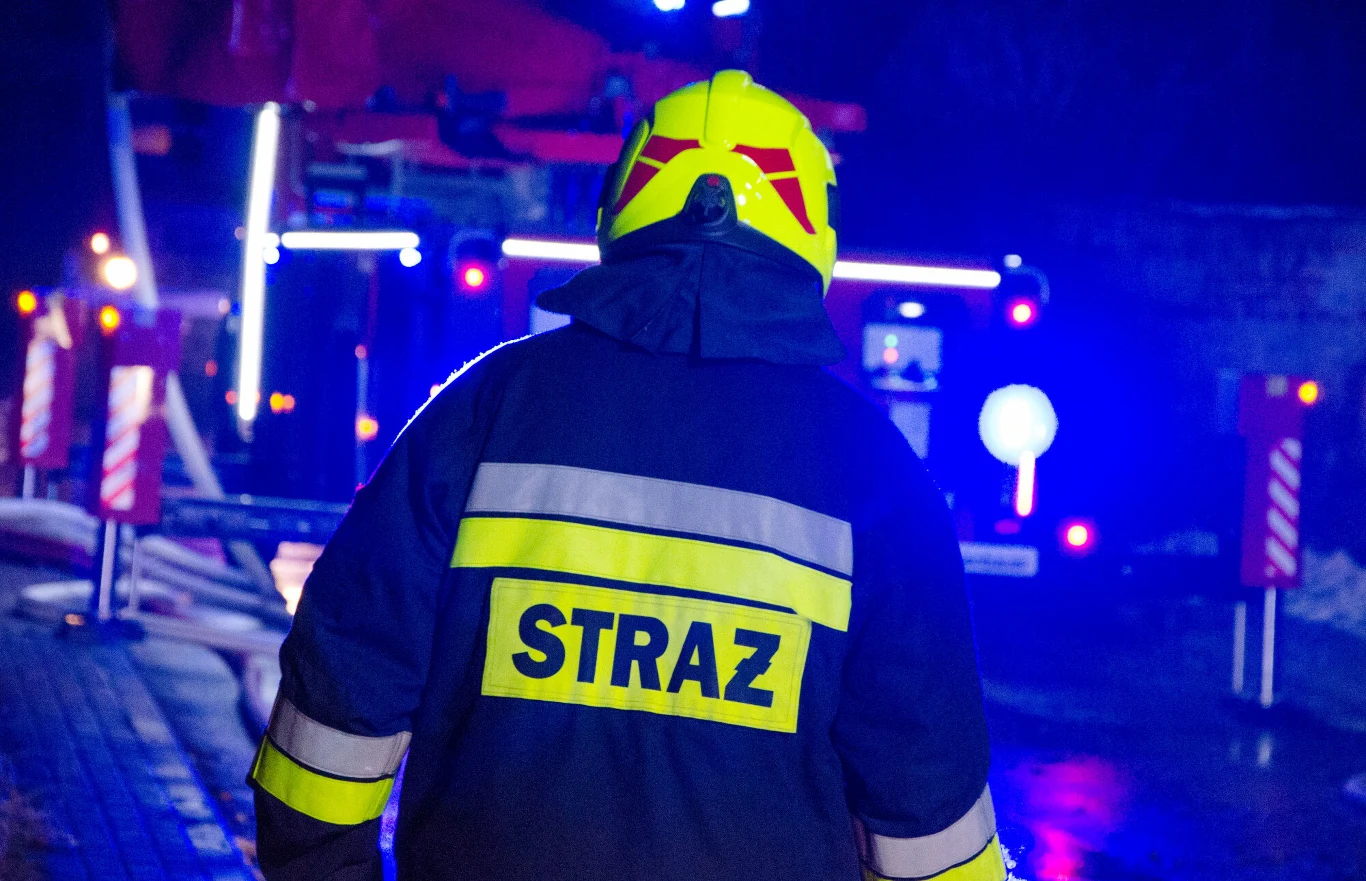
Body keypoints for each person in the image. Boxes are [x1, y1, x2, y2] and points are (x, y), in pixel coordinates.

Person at [250, 70, 1006, 881]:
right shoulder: (876, 470)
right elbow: (928, 810)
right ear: (812, 234)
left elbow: (333, 716)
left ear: (620, 209)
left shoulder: (484, 411)